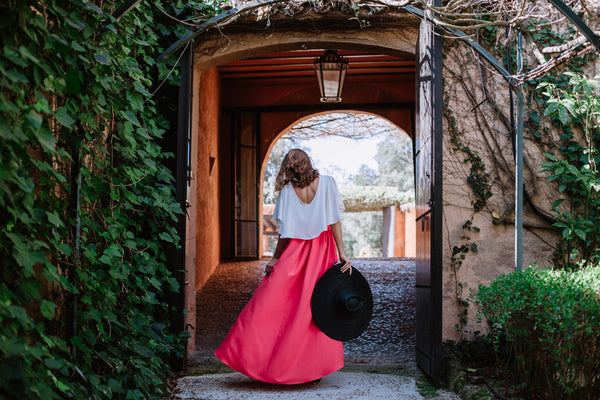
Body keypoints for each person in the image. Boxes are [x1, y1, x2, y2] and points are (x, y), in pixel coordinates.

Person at [214, 148, 351, 385]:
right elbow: (335, 221)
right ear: (308, 163)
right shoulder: (327, 183)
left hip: (295, 251)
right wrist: (342, 253)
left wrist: (276, 258)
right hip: (322, 249)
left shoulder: (288, 191)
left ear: (288, 168)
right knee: (315, 307)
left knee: (274, 303)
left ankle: (262, 360)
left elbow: (285, 233)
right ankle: (310, 369)